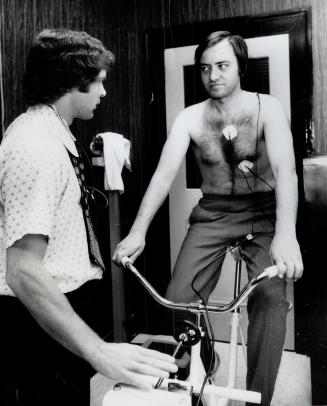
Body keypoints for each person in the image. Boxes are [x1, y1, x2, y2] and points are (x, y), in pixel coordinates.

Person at [113, 31, 304, 405]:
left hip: (264, 215)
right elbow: (163, 176)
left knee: (269, 302)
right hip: (214, 214)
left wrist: (286, 235)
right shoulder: (191, 117)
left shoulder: (268, 108)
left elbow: (286, 172)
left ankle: (256, 397)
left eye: (222, 66)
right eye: (205, 68)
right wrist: (138, 232)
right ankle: (205, 362)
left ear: (240, 68)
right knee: (177, 299)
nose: (213, 75)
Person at [0, 29, 177, 406]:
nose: (104, 93)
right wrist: (98, 350)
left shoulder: (55, 132)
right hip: (37, 313)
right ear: (71, 82)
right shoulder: (35, 146)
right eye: (97, 82)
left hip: (66, 301)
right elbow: (22, 269)